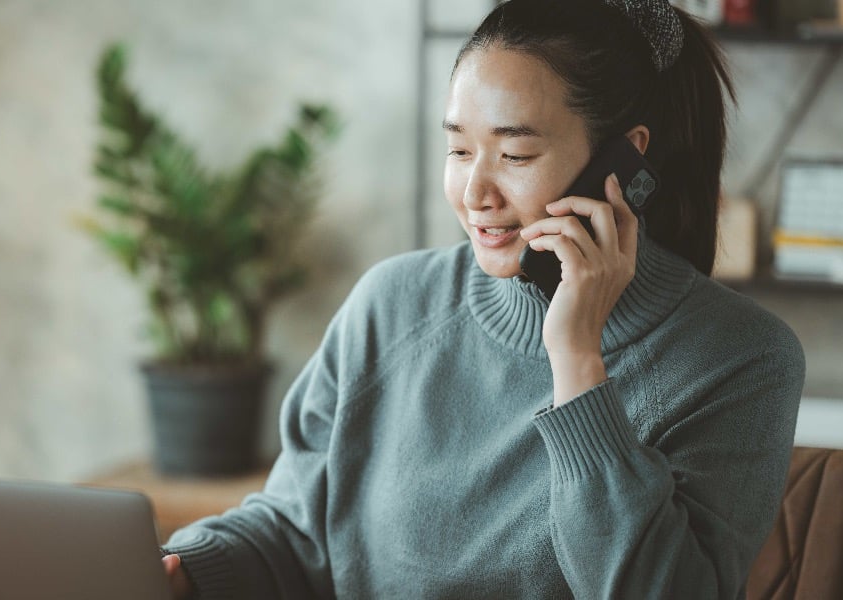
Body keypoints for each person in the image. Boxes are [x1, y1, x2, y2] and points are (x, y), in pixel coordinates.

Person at [160, 0, 805, 597]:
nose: (475, 192)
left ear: (622, 161)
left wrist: (577, 361)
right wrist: (181, 572)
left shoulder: (743, 359)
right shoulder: (391, 304)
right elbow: (298, 530)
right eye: (459, 149)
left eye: (516, 154)